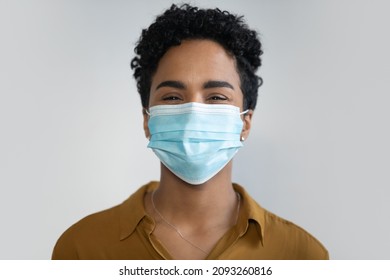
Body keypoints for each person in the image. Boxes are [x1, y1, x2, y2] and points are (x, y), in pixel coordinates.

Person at [52, 4, 329, 260]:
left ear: (245, 122)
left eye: (216, 97)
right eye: (173, 97)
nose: (193, 112)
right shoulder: (82, 247)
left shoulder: (302, 255)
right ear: (148, 120)